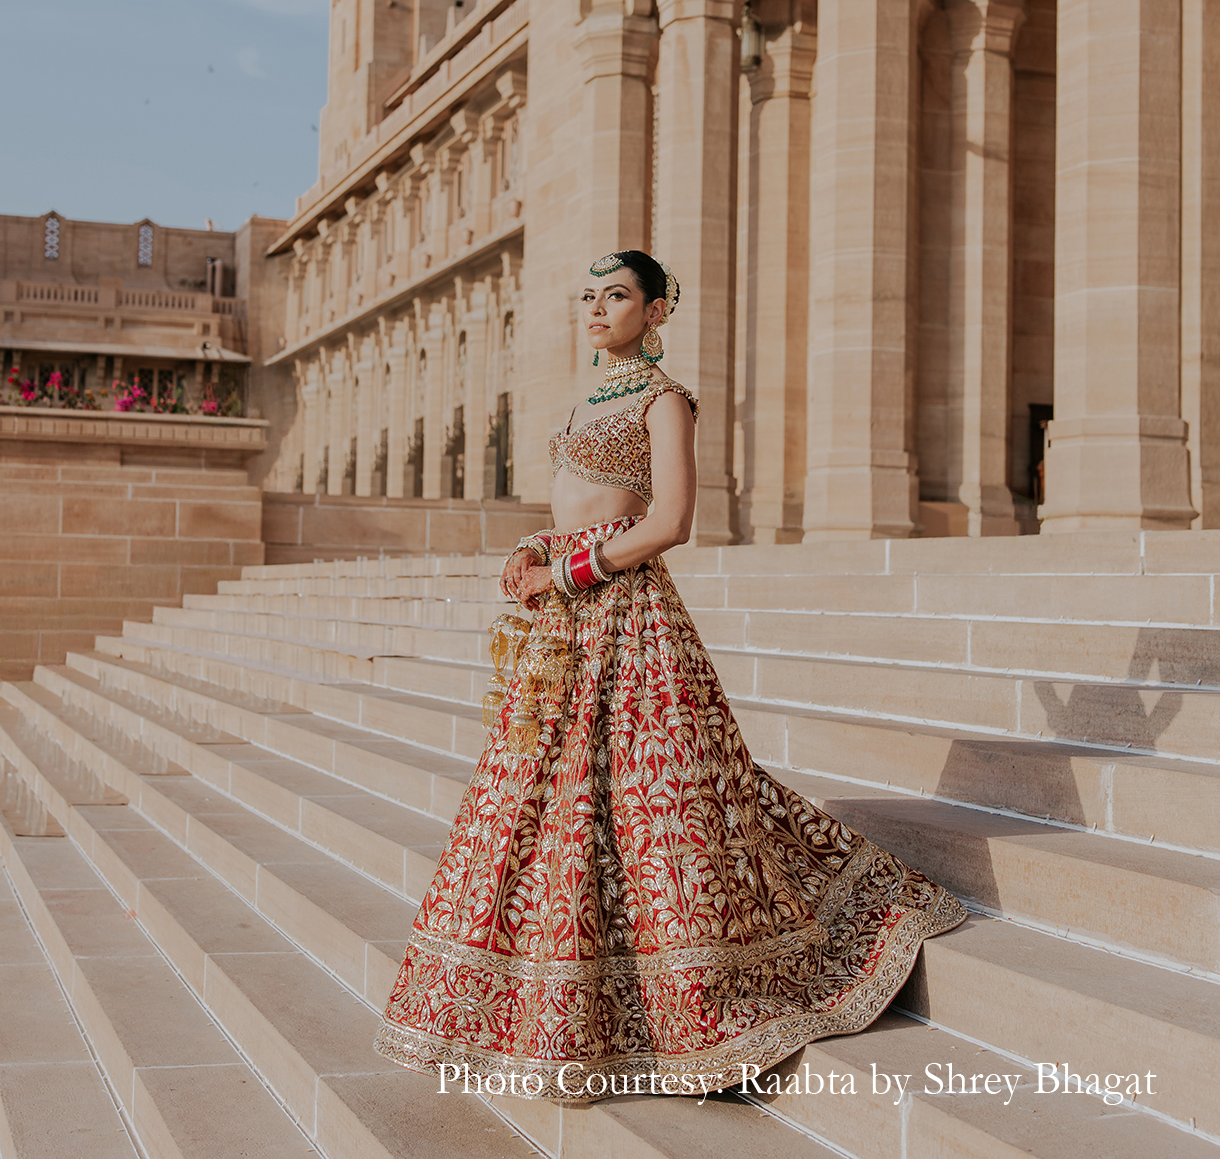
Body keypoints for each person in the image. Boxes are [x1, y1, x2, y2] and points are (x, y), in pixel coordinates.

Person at [375, 249, 966, 1100]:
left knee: (659, 799)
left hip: (626, 611)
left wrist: (574, 571)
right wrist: (536, 547)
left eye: (615, 296)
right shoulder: (584, 399)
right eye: (587, 296)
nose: (596, 309)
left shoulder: (665, 400)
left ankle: (706, 987)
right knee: (555, 801)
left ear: (655, 311)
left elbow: (672, 521)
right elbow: (571, 504)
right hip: (564, 616)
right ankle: (562, 1007)